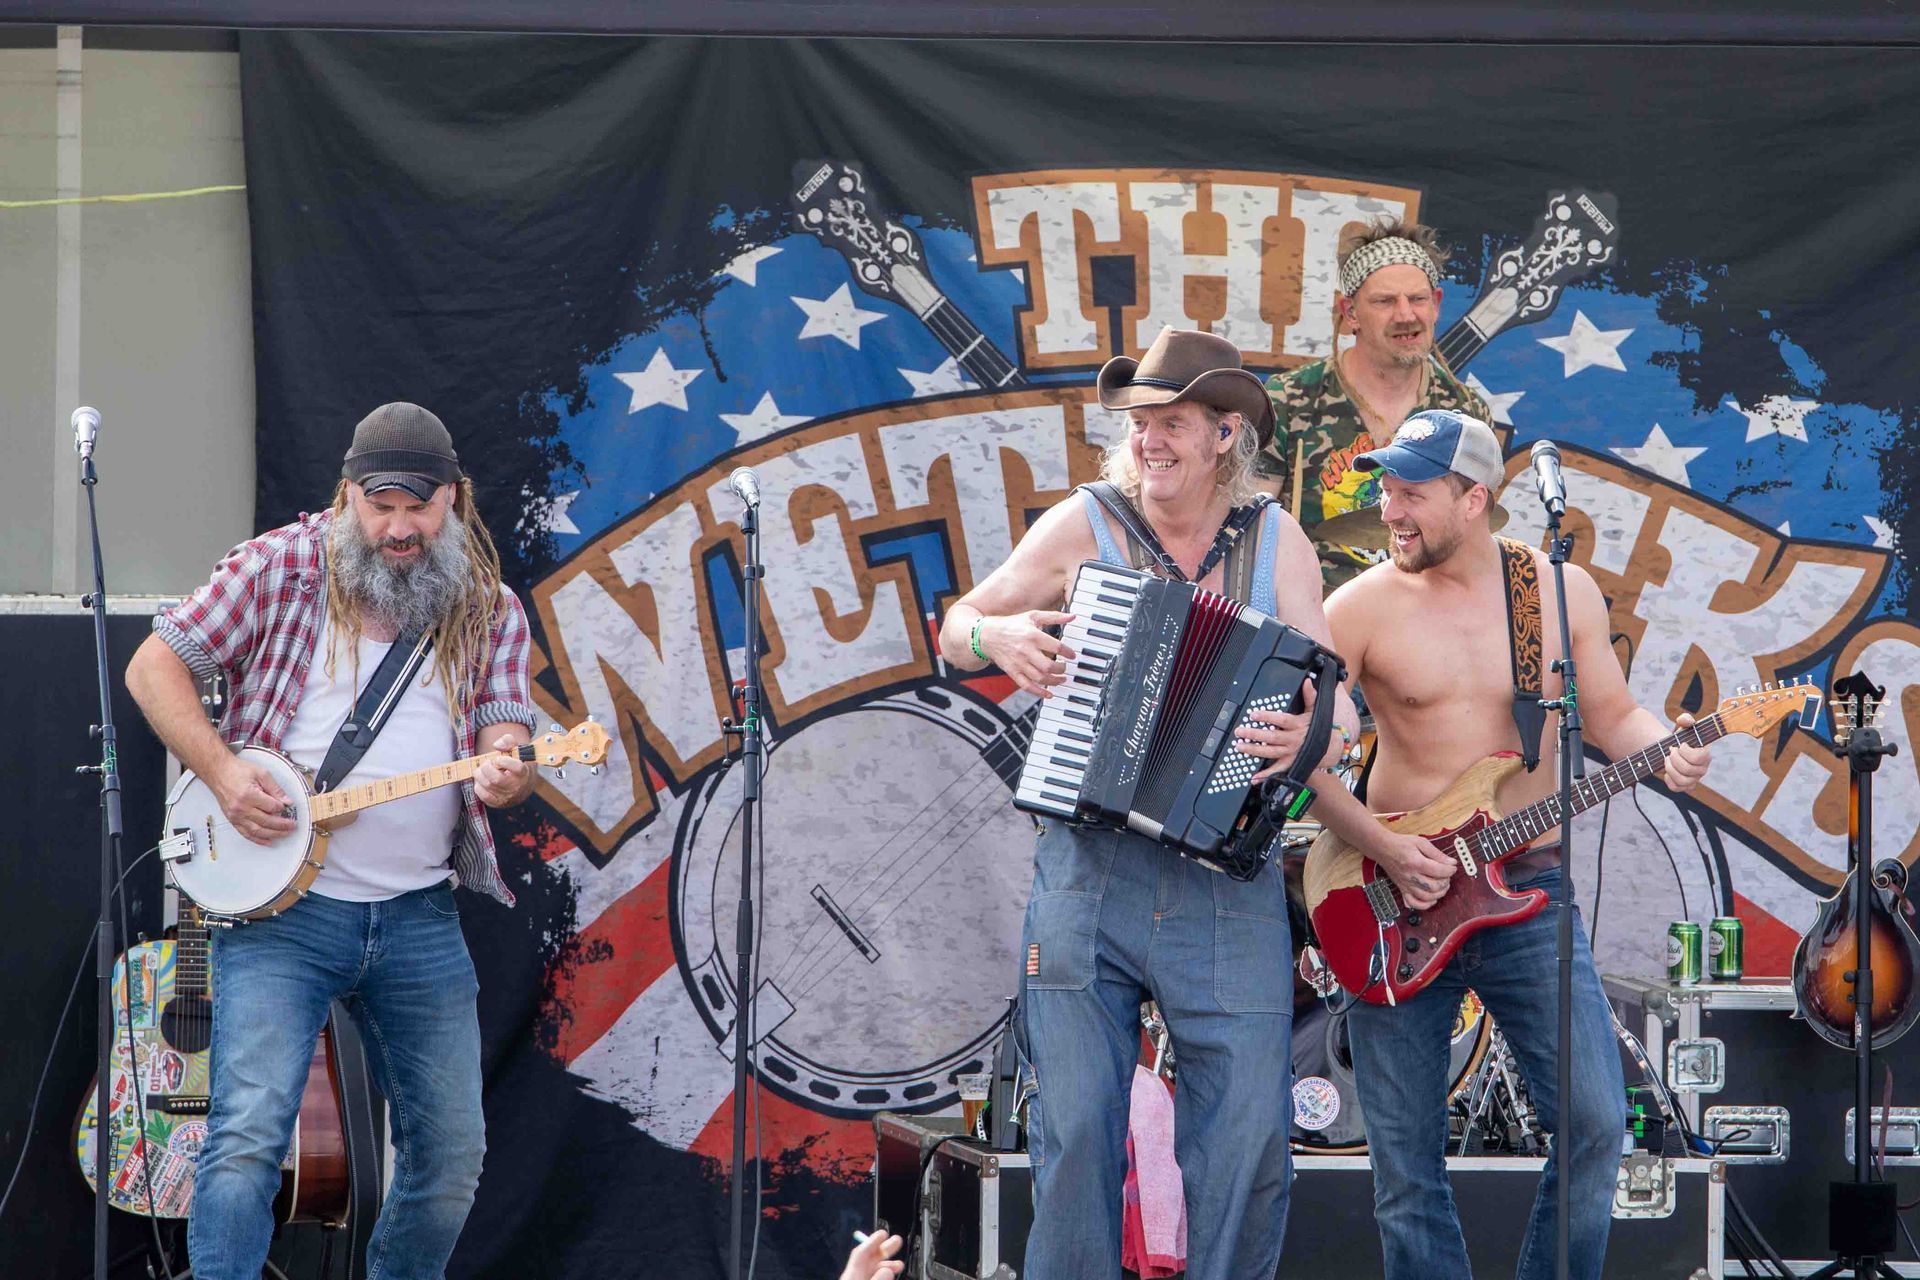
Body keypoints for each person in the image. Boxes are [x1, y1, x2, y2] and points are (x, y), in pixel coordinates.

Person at [938, 327, 1359, 1280]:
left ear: (1224, 435)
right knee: (1077, 1132)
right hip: (1088, 871)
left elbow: (1339, 707)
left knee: (1247, 1138)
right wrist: (999, 638)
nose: (1149, 440)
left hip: (1223, 882)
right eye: (1139, 423)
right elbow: (958, 626)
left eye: (1172, 422)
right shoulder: (1085, 522)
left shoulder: (1276, 539)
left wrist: (1312, 738)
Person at [1254, 407, 1711, 1279]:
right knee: (1404, 1164)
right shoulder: (1359, 608)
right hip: (1391, 894)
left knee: (1596, 1123)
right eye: (1386, 490)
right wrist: (1383, 846)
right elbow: (1297, 750)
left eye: (1411, 492)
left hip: (1527, 890)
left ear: (1474, 499)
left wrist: (1668, 749)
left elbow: (1614, 715)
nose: (1389, 510)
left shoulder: (1557, 593)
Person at [125, 402, 539, 1280]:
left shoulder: (488, 605)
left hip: (418, 911)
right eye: (380, 507)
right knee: (245, 1138)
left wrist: (507, 767)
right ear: (347, 494)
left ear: (455, 500)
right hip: (282, 912)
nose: (399, 528)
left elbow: (505, 726)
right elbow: (153, 666)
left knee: (453, 1153)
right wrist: (225, 774)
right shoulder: (278, 566)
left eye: (419, 508)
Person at [1259, 217, 1492, 589]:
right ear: (1350, 312)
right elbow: (1249, 531)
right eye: (1385, 301)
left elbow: (1475, 538)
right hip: (1309, 611)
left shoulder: (1465, 413)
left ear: (1435, 305)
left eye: (1417, 299)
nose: (1405, 315)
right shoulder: (1288, 400)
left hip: (1425, 611)